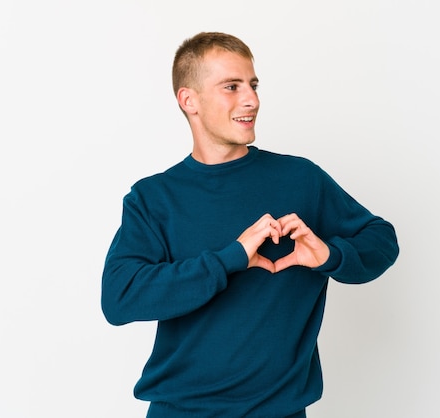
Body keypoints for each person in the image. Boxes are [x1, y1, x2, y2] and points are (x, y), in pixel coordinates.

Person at [101, 31, 399, 418]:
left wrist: (331, 254)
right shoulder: (154, 198)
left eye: (253, 85)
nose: (251, 100)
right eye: (232, 86)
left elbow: (382, 239)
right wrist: (231, 258)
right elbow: (119, 298)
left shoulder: (300, 179)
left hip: (280, 411)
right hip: (181, 411)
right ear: (188, 100)